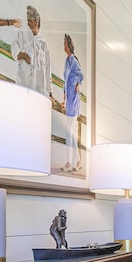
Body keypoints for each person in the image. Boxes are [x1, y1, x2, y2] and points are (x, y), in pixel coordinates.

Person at [11, 5, 52, 97]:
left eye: (29, 21)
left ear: (36, 22)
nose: (27, 23)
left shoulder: (44, 45)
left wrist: (49, 91)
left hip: (38, 92)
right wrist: (22, 55)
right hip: (22, 88)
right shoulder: (21, 35)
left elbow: (48, 70)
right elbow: (14, 52)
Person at [60, 33, 83, 172]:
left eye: (64, 43)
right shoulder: (66, 61)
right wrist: (63, 100)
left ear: (68, 45)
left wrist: (76, 84)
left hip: (74, 101)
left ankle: (70, 162)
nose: (63, 45)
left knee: (69, 132)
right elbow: (64, 82)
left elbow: (80, 75)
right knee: (70, 133)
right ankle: (78, 160)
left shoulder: (74, 61)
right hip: (68, 101)